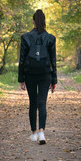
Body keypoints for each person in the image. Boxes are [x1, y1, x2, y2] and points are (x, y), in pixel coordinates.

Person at [18, 9, 57, 145]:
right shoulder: (51, 38)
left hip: (30, 73)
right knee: (42, 103)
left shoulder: (25, 37)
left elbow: (22, 59)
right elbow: (53, 60)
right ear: (44, 21)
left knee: (33, 103)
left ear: (33, 21)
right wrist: (54, 80)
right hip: (45, 73)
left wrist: (21, 79)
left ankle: (33, 133)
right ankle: (42, 132)